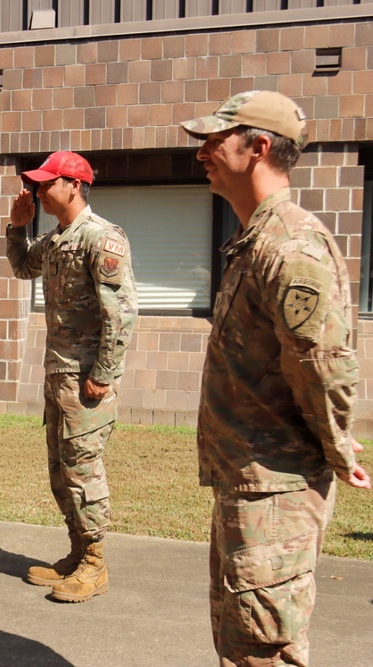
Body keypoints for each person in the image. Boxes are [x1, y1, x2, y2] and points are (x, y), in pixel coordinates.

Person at [181, 90, 371, 666]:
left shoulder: (290, 246)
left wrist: (338, 447)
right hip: (250, 482)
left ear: (258, 146)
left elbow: (323, 361)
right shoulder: (254, 241)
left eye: (215, 140)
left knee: (264, 650)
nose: (202, 154)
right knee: (242, 643)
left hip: (276, 489)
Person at [5, 151, 137, 603]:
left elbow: (120, 315)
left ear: (74, 185)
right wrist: (17, 226)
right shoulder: (58, 238)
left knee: (83, 469)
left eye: (46, 184)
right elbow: (23, 266)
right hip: (59, 374)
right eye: (38, 185)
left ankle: (95, 565)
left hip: (85, 380)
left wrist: (103, 374)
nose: (39, 191)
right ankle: (79, 553)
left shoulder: (101, 238)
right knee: (61, 470)